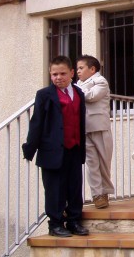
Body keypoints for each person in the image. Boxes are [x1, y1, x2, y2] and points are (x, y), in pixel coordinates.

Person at [22, 56, 89, 237]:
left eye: (62, 73)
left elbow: (80, 120)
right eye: (54, 74)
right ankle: (56, 224)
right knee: (55, 189)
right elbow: (37, 123)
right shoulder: (44, 95)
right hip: (52, 150)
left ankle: (74, 221)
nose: (58, 77)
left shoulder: (79, 93)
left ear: (72, 73)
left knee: (74, 187)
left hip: (74, 148)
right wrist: (30, 147)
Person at [76, 55, 115, 209]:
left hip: (100, 126)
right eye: (77, 68)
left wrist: (78, 91)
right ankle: (97, 194)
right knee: (92, 163)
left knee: (104, 161)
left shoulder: (100, 81)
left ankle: (105, 191)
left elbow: (91, 96)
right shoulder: (78, 84)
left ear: (92, 69)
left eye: (81, 68)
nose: (78, 71)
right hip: (85, 127)